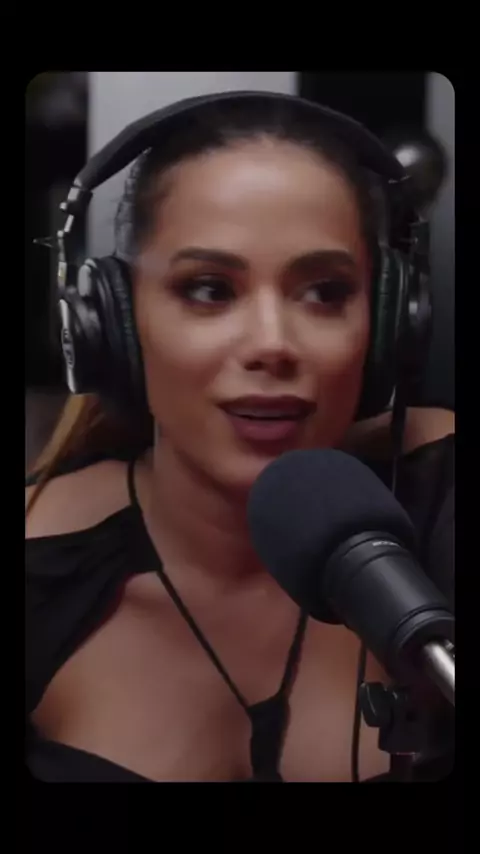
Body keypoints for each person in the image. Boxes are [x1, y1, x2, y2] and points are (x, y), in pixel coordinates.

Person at [25, 93, 454, 783]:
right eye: (209, 289)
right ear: (110, 326)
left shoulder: (443, 497)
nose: (271, 344)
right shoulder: (41, 569)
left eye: (324, 292)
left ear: (390, 327)